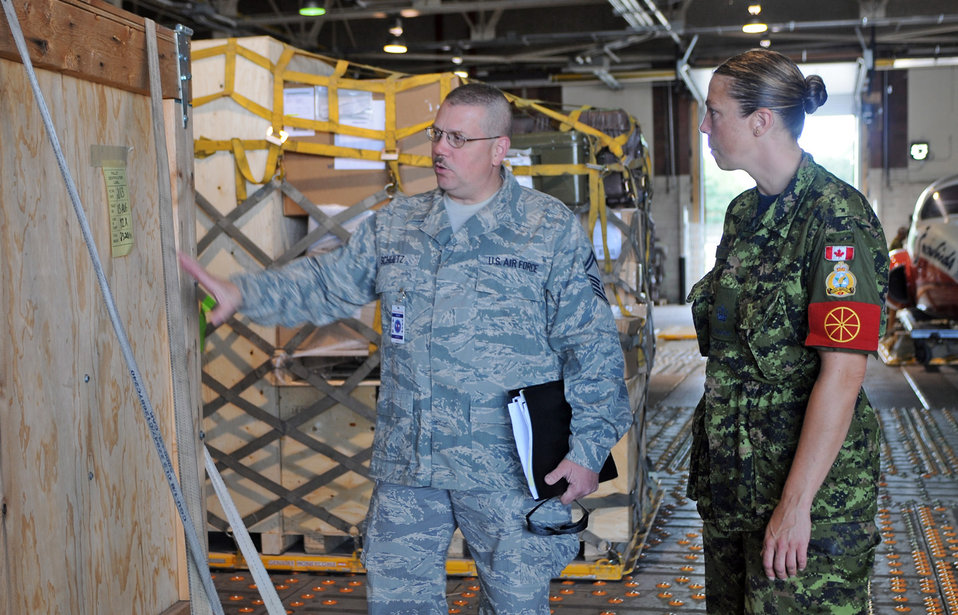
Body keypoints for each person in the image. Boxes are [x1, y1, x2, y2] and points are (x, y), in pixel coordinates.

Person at [180, 82, 631, 614]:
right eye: (436, 135)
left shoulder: (546, 228)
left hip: (506, 469)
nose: (440, 149)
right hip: (408, 465)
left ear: (498, 148)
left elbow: (592, 345)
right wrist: (242, 293)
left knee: (515, 605)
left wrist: (587, 449)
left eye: (458, 139)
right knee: (398, 604)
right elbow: (328, 283)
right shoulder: (398, 223)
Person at [688, 49, 890, 613]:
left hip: (809, 503)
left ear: (760, 120)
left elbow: (844, 373)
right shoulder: (742, 213)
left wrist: (795, 505)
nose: (705, 125)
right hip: (734, 489)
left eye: (714, 112)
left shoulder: (836, 218)